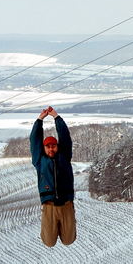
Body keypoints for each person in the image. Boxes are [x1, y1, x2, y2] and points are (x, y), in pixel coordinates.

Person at [30, 106, 76, 247]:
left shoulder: (64, 157)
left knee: (69, 240)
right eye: (48, 146)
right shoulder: (39, 161)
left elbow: (65, 137)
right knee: (49, 242)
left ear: (57, 147)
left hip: (66, 205)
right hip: (49, 206)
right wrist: (40, 120)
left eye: (53, 146)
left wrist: (56, 117)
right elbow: (34, 140)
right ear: (44, 148)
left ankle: (69, 224)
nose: (51, 149)